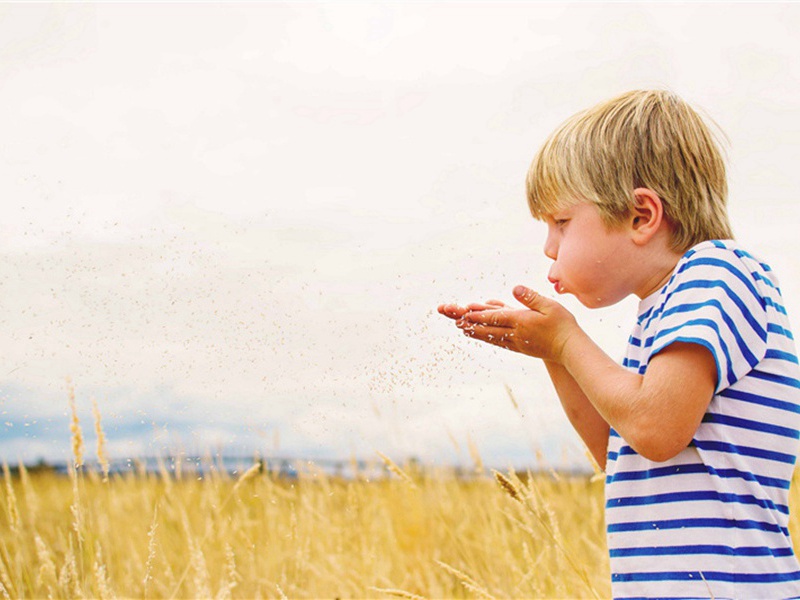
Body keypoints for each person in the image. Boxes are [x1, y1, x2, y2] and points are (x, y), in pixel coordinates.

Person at [438, 89, 800, 599]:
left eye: (561, 222)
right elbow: (623, 454)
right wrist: (554, 355)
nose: (548, 245)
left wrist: (567, 343)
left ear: (641, 216)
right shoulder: (662, 311)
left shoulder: (717, 272)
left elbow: (654, 427)